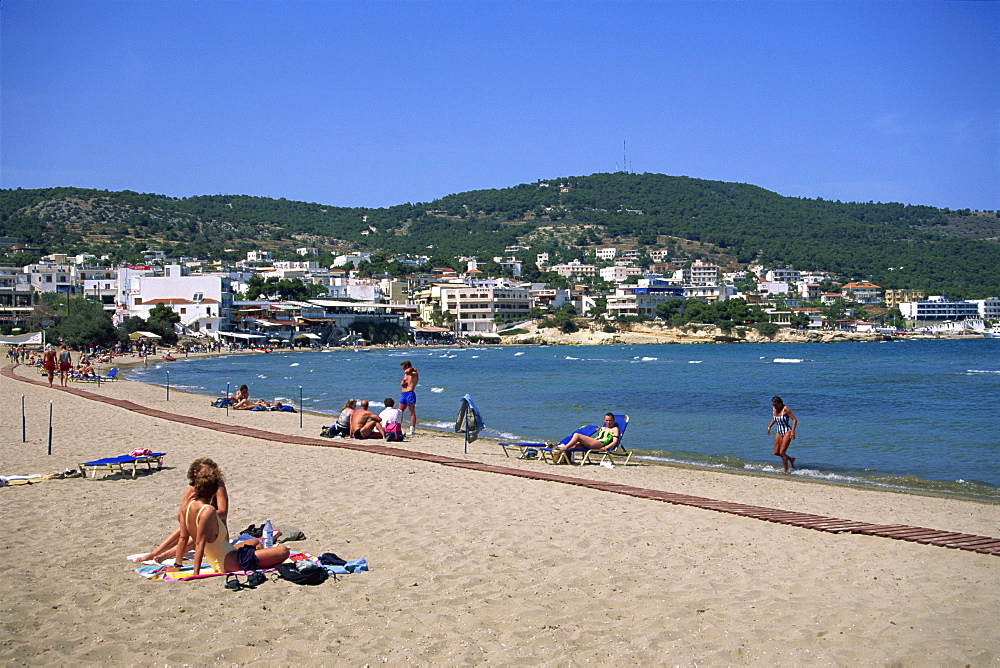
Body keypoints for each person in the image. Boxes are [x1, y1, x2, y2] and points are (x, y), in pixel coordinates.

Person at [165, 467, 288, 576]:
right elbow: (199, 543)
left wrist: (178, 565)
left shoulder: (186, 507)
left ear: (196, 487)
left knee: (254, 541)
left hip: (222, 555)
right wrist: (196, 573)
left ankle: (259, 558)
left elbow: (183, 538)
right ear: (214, 492)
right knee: (283, 551)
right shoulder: (208, 510)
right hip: (228, 562)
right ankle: (259, 559)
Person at [137, 458, 230, 563]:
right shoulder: (191, 489)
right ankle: (155, 553)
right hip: (200, 528)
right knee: (186, 526)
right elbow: (181, 516)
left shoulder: (217, 486)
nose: (210, 475)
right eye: (207, 472)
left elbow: (223, 512)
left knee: (201, 527)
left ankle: (167, 554)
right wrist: (191, 514)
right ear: (195, 473)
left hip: (218, 533)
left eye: (212, 472)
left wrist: (204, 516)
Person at [555, 413, 621, 453]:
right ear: (604, 421)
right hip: (595, 442)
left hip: (600, 444)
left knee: (577, 435)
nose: (608, 422)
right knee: (575, 446)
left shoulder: (615, 429)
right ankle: (557, 448)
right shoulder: (602, 428)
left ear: (614, 420)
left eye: (610, 420)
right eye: (607, 420)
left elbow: (614, 442)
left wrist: (606, 447)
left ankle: (565, 447)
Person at [767, 396, 798, 473]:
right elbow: (775, 418)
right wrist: (769, 427)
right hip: (779, 431)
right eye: (773, 405)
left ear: (780, 403)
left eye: (776, 404)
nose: (774, 406)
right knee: (776, 452)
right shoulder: (774, 409)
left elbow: (794, 419)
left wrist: (793, 431)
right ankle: (791, 459)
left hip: (787, 431)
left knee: (782, 452)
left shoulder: (786, 409)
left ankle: (785, 470)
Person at [399, 360, 418, 436]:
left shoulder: (414, 373)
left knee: (411, 412)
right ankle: (397, 427)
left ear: (407, 366)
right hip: (403, 394)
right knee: (399, 412)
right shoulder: (406, 374)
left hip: (410, 393)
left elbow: (409, 371)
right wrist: (402, 383)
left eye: (403, 368)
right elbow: (404, 381)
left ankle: (412, 429)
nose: (403, 370)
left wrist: (410, 368)